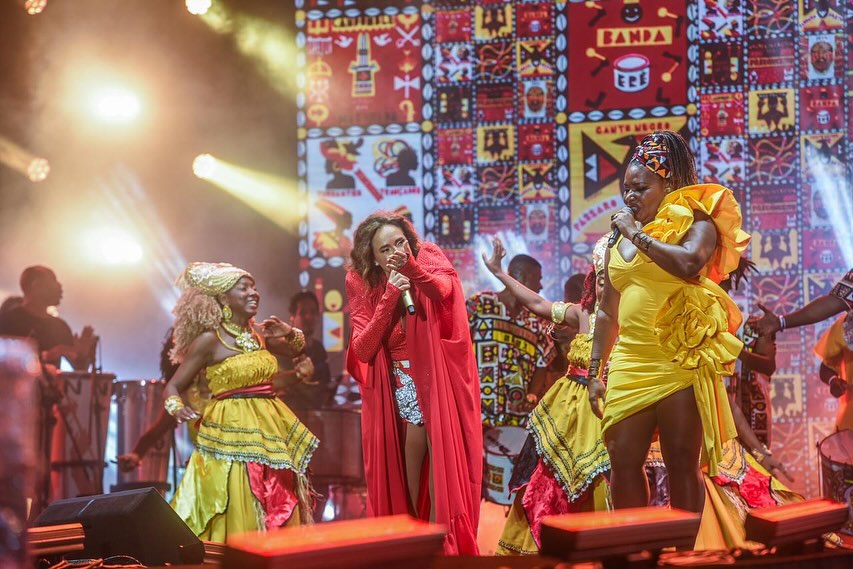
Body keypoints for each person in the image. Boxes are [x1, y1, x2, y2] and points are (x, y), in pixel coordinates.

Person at [588, 131, 750, 529]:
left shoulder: (696, 219)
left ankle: (686, 553)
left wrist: (636, 235)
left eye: (640, 188)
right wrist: (595, 372)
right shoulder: (614, 239)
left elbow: (689, 263)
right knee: (622, 459)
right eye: (626, 189)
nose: (630, 197)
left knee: (681, 460)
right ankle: (634, 548)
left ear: (670, 184)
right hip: (630, 359)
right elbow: (606, 311)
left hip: (678, 357)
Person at [345, 212, 482, 555]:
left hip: (439, 381)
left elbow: (443, 291)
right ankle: (410, 541)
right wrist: (391, 294)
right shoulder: (361, 282)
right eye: (385, 249)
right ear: (372, 258)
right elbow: (362, 348)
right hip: (402, 386)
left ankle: (443, 546)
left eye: (400, 242)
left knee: (444, 467)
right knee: (409, 469)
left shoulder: (427, 255)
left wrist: (412, 269)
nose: (396, 250)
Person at [165, 262, 318, 542]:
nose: (254, 293)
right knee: (240, 495)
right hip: (230, 429)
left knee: (275, 494)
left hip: (269, 426)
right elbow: (174, 384)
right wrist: (176, 406)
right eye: (244, 288)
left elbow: (296, 349)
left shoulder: (258, 334)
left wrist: (287, 332)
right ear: (223, 297)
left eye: (254, 287)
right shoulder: (210, 341)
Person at [483, 235, 611, 555]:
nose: (604, 288)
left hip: (603, 412)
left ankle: (597, 551)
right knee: (544, 485)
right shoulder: (583, 316)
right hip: (564, 413)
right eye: (600, 280)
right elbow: (538, 304)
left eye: (613, 279)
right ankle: (544, 553)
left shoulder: (630, 322)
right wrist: (499, 272)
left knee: (598, 488)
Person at [468, 254, 555, 427]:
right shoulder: (479, 304)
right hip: (477, 410)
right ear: (519, 276)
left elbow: (542, 363)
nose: (541, 286)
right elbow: (458, 346)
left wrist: (532, 394)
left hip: (517, 417)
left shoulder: (537, 321)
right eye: (537, 279)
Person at [720, 258, 776, 447]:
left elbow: (769, 365)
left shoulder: (752, 324)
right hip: (717, 406)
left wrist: (737, 349)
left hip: (750, 408)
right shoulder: (699, 321)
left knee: (755, 468)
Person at [0, 266, 97, 369]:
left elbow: (80, 370)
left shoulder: (60, 327)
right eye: (53, 280)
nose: (60, 286)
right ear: (36, 285)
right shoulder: (6, 322)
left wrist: (83, 354)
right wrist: (50, 354)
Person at [278, 291, 332, 410]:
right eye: (303, 313)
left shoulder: (319, 349)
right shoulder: (281, 348)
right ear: (292, 318)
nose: (309, 317)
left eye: (313, 312)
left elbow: (325, 384)